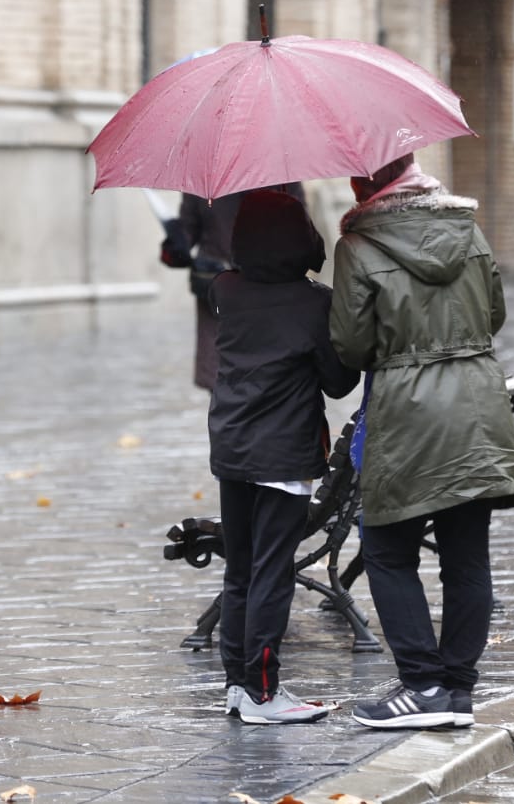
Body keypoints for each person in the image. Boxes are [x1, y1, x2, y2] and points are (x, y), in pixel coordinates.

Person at [328, 154, 514, 730]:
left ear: (364, 183)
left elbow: (351, 344)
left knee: (389, 552)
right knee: (468, 555)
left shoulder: (358, 247)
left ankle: (422, 685)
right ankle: (458, 690)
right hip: (476, 407)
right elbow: (494, 313)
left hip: (407, 413)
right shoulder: (468, 229)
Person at [209, 189, 360, 724]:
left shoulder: (224, 289)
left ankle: (237, 683)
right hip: (284, 454)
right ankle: (264, 692)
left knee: (242, 572)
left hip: (231, 449)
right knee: (273, 571)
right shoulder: (313, 302)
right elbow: (339, 383)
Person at [159, 185, 305, 391]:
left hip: (267, 295)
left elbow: (301, 233)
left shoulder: (281, 175)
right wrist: (175, 243)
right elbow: (187, 232)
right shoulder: (204, 176)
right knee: (223, 382)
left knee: (269, 382)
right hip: (218, 294)